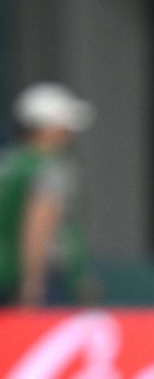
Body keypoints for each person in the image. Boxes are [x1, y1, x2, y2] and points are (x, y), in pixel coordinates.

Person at [0, 82, 95, 306]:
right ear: (44, 128)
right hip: (43, 281)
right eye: (63, 127)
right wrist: (33, 284)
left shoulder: (9, 164)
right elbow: (39, 224)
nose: (69, 134)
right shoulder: (52, 169)